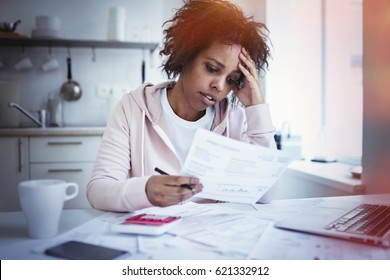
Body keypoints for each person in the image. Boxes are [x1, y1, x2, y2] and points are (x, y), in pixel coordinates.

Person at [87, 0, 276, 212]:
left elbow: (264, 194)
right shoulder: (132, 108)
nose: (219, 86)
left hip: (212, 238)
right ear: (187, 54)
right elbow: (98, 191)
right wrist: (145, 190)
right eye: (212, 68)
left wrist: (256, 108)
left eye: (232, 79)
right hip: (153, 237)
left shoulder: (236, 119)